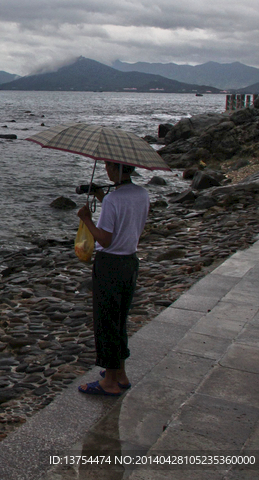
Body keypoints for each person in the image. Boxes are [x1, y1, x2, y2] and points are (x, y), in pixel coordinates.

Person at [75, 160, 150, 396]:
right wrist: (101, 199)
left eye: (109, 165)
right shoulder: (141, 193)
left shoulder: (113, 199)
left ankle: (109, 381)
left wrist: (86, 218)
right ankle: (121, 374)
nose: (106, 168)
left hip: (110, 265)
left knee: (106, 321)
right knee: (120, 319)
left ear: (117, 169)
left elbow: (105, 239)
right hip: (130, 262)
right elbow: (126, 222)